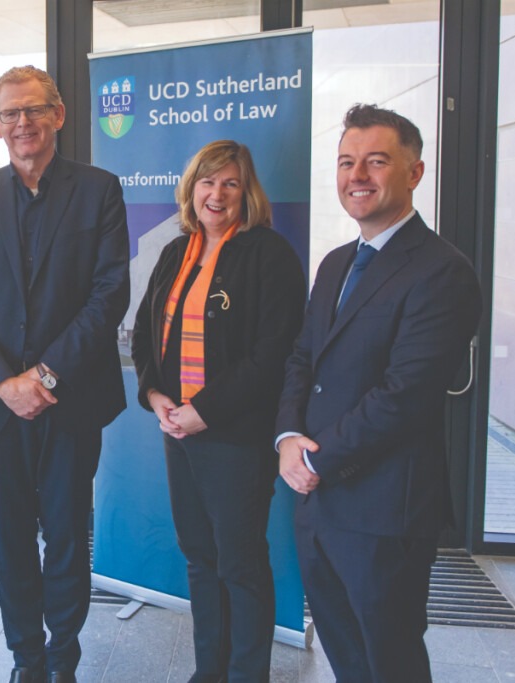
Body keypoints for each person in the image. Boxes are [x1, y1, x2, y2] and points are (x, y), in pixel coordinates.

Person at [276, 104, 482, 682]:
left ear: (414, 172)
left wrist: (317, 458)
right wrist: (289, 436)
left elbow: (404, 394)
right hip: (319, 506)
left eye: (376, 161)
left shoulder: (442, 270)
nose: (357, 175)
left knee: (389, 661)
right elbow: (302, 358)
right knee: (347, 656)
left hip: (385, 511)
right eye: (346, 162)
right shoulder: (337, 263)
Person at [0, 65, 129, 683]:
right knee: (13, 538)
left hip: (70, 400)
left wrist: (45, 378)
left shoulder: (100, 190)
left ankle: (63, 658)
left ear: (59, 115)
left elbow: (109, 294)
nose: (23, 123)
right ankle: (26, 658)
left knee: (69, 536)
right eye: (11, 114)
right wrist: (6, 382)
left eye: (34, 110)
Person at [131, 140, 306, 683]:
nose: (217, 193)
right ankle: (210, 672)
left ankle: (247, 674)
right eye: (208, 182)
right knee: (201, 559)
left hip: (235, 438)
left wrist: (203, 411)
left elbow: (272, 354)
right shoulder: (174, 252)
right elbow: (143, 337)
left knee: (240, 565)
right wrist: (157, 397)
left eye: (230, 183)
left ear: (246, 191)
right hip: (178, 432)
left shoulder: (268, 254)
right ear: (191, 189)